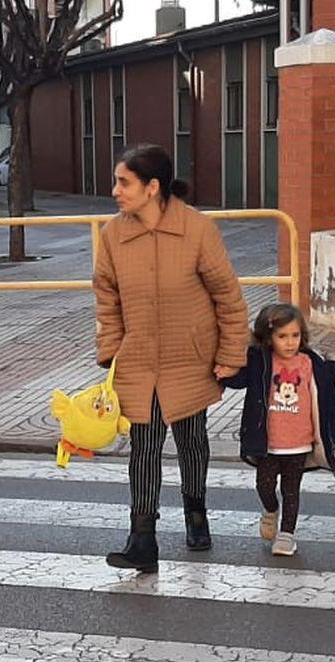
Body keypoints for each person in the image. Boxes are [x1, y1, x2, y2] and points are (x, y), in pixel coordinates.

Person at [93, 145, 249, 573]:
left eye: (124, 182)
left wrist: (230, 354)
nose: (115, 191)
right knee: (143, 447)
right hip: (138, 359)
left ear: (152, 187)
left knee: (191, 440)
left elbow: (228, 296)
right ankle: (142, 537)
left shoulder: (197, 230)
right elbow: (107, 297)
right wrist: (111, 351)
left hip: (190, 357)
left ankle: (196, 511)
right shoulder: (113, 235)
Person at [220, 303, 335, 556]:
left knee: (291, 490)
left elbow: (329, 399)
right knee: (264, 486)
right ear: (268, 338)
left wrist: (333, 435)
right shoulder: (260, 362)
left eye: (295, 335)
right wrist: (224, 373)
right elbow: (240, 380)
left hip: (299, 442)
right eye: (282, 336)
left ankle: (287, 535)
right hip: (268, 443)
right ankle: (270, 509)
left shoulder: (310, 363)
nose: (290, 342)